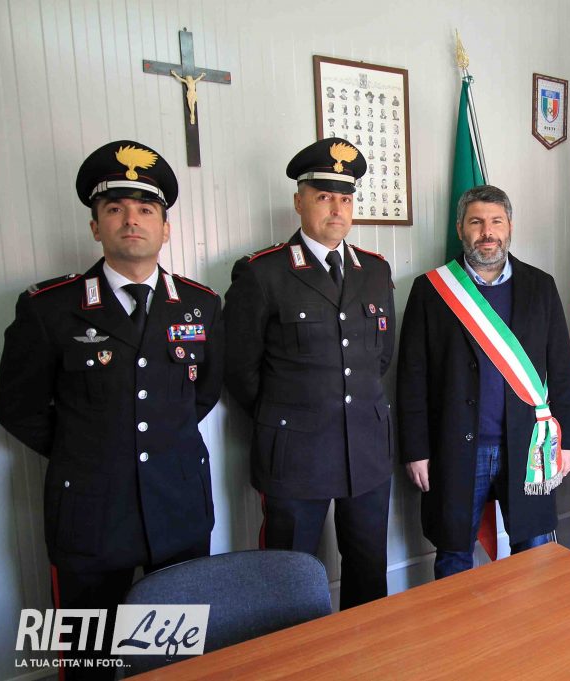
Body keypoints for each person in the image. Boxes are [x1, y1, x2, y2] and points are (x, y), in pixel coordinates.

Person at [0, 140, 223, 679]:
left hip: (177, 503)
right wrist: (87, 450)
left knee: (175, 652)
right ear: (95, 227)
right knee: (89, 656)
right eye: (115, 209)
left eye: (145, 209)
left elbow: (205, 392)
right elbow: (18, 406)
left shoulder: (200, 304)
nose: (131, 220)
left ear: (166, 228)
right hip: (91, 510)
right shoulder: (50, 308)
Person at [223, 138, 395, 609]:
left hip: (366, 450)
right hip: (295, 454)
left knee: (368, 573)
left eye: (345, 199)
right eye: (324, 197)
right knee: (289, 581)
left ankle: (363, 649)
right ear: (299, 202)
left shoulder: (375, 271)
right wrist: (288, 417)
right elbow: (239, 369)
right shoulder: (262, 273)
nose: (337, 210)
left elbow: (381, 357)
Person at [396, 185, 570, 578]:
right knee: (454, 555)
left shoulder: (540, 286)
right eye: (476, 222)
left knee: (534, 553)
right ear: (460, 228)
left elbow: (562, 371)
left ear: (509, 226)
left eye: (496, 221)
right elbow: (411, 378)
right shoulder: (431, 290)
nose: (487, 232)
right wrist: (416, 450)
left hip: (528, 445)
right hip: (454, 447)